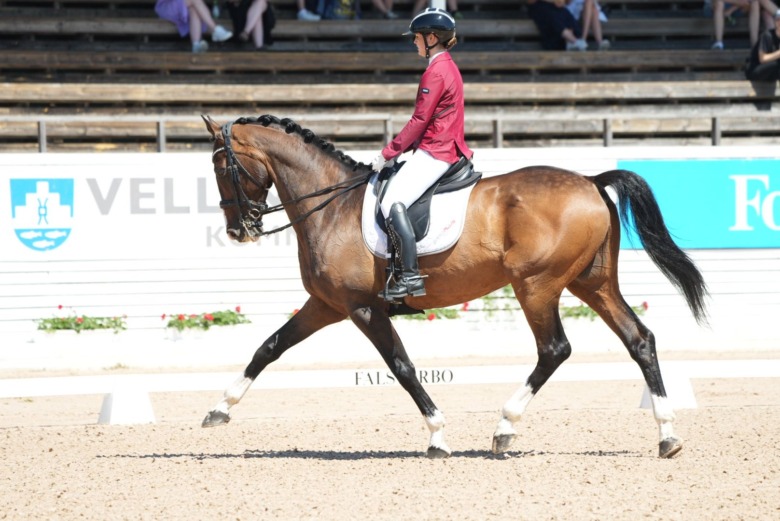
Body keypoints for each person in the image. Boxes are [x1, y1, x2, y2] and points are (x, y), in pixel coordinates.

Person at [371, 8, 473, 301]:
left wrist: (388, 152)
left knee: (392, 200)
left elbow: (419, 120)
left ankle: (410, 275)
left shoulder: (437, 70)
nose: (414, 43)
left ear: (431, 37)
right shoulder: (448, 66)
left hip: (437, 149)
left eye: (416, 38)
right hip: (443, 146)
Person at [155, 0, 233, 53]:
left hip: (182, 5)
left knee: (193, 10)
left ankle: (196, 44)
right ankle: (215, 29)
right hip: (166, 6)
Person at [745, 11, 780, 80]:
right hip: (756, 69)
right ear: (775, 22)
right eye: (778, 20)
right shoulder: (767, 35)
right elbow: (763, 59)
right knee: (776, 63)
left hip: (771, 73)